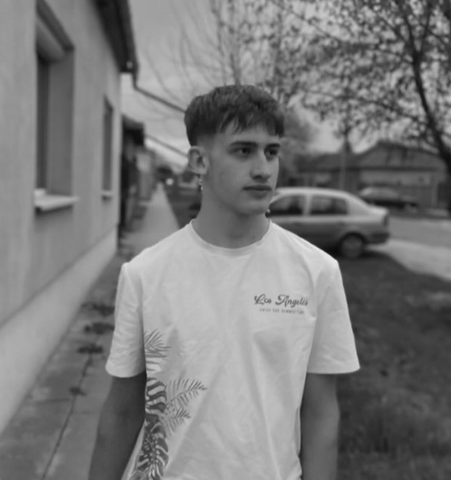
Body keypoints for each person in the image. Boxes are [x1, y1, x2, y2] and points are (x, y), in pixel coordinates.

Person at [88, 85, 360, 480]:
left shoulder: (317, 272)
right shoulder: (145, 274)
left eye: (272, 152)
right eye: (244, 150)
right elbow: (122, 411)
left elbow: (321, 414)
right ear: (199, 161)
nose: (263, 169)